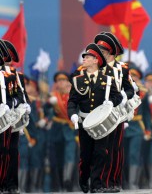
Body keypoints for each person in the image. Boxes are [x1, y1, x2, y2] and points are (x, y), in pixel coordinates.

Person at [68, 44, 121, 193]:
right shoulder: (77, 80)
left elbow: (117, 97)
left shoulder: (108, 80)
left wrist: (111, 102)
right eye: (84, 57)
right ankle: (84, 178)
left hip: (101, 122)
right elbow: (72, 101)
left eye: (88, 57)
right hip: (84, 122)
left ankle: (97, 184)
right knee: (85, 155)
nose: (84, 59)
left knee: (100, 152)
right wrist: (72, 114)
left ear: (96, 60)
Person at [95, 32, 133, 193]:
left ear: (111, 53)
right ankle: (100, 181)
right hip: (99, 113)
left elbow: (130, 89)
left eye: (103, 52)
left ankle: (114, 180)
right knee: (101, 148)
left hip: (116, 112)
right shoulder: (94, 67)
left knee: (116, 148)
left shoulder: (121, 68)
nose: (99, 55)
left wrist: (125, 96)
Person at [1, 40, 30, 194]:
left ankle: (11, 185)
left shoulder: (16, 76)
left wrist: (20, 104)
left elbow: (21, 94)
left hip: (12, 118)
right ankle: (3, 183)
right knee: (3, 151)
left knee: (12, 151)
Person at [46, 71, 78, 191]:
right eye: (59, 81)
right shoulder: (53, 96)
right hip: (57, 131)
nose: (61, 82)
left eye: (64, 80)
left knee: (69, 156)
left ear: (68, 82)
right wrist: (49, 105)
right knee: (58, 158)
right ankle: (60, 183)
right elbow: (46, 112)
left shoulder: (73, 95)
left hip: (70, 131)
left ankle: (67, 181)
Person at [18, 76, 46, 193]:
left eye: (26, 84)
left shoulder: (32, 101)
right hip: (21, 133)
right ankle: (19, 187)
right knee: (22, 161)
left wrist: (34, 137)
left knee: (34, 161)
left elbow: (34, 119)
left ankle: (32, 187)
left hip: (32, 135)